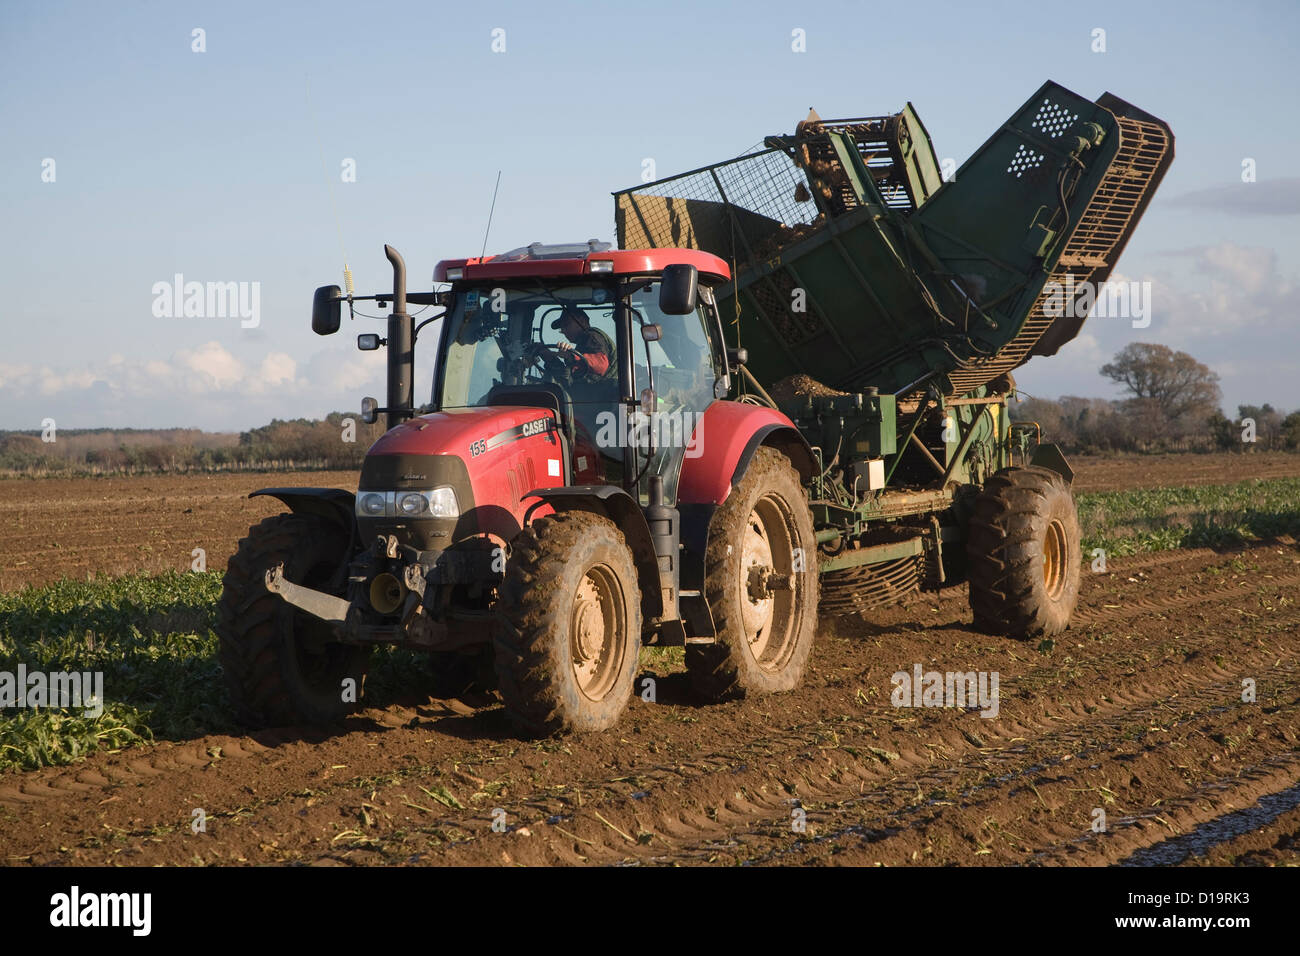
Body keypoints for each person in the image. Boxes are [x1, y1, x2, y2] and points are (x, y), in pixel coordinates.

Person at [552, 308, 616, 384]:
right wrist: (550, 358)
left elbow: (601, 365)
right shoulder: (583, 344)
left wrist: (572, 356)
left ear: (581, 322)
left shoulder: (591, 336)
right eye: (561, 328)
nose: (564, 331)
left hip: (606, 391)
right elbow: (571, 377)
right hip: (593, 391)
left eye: (566, 325)